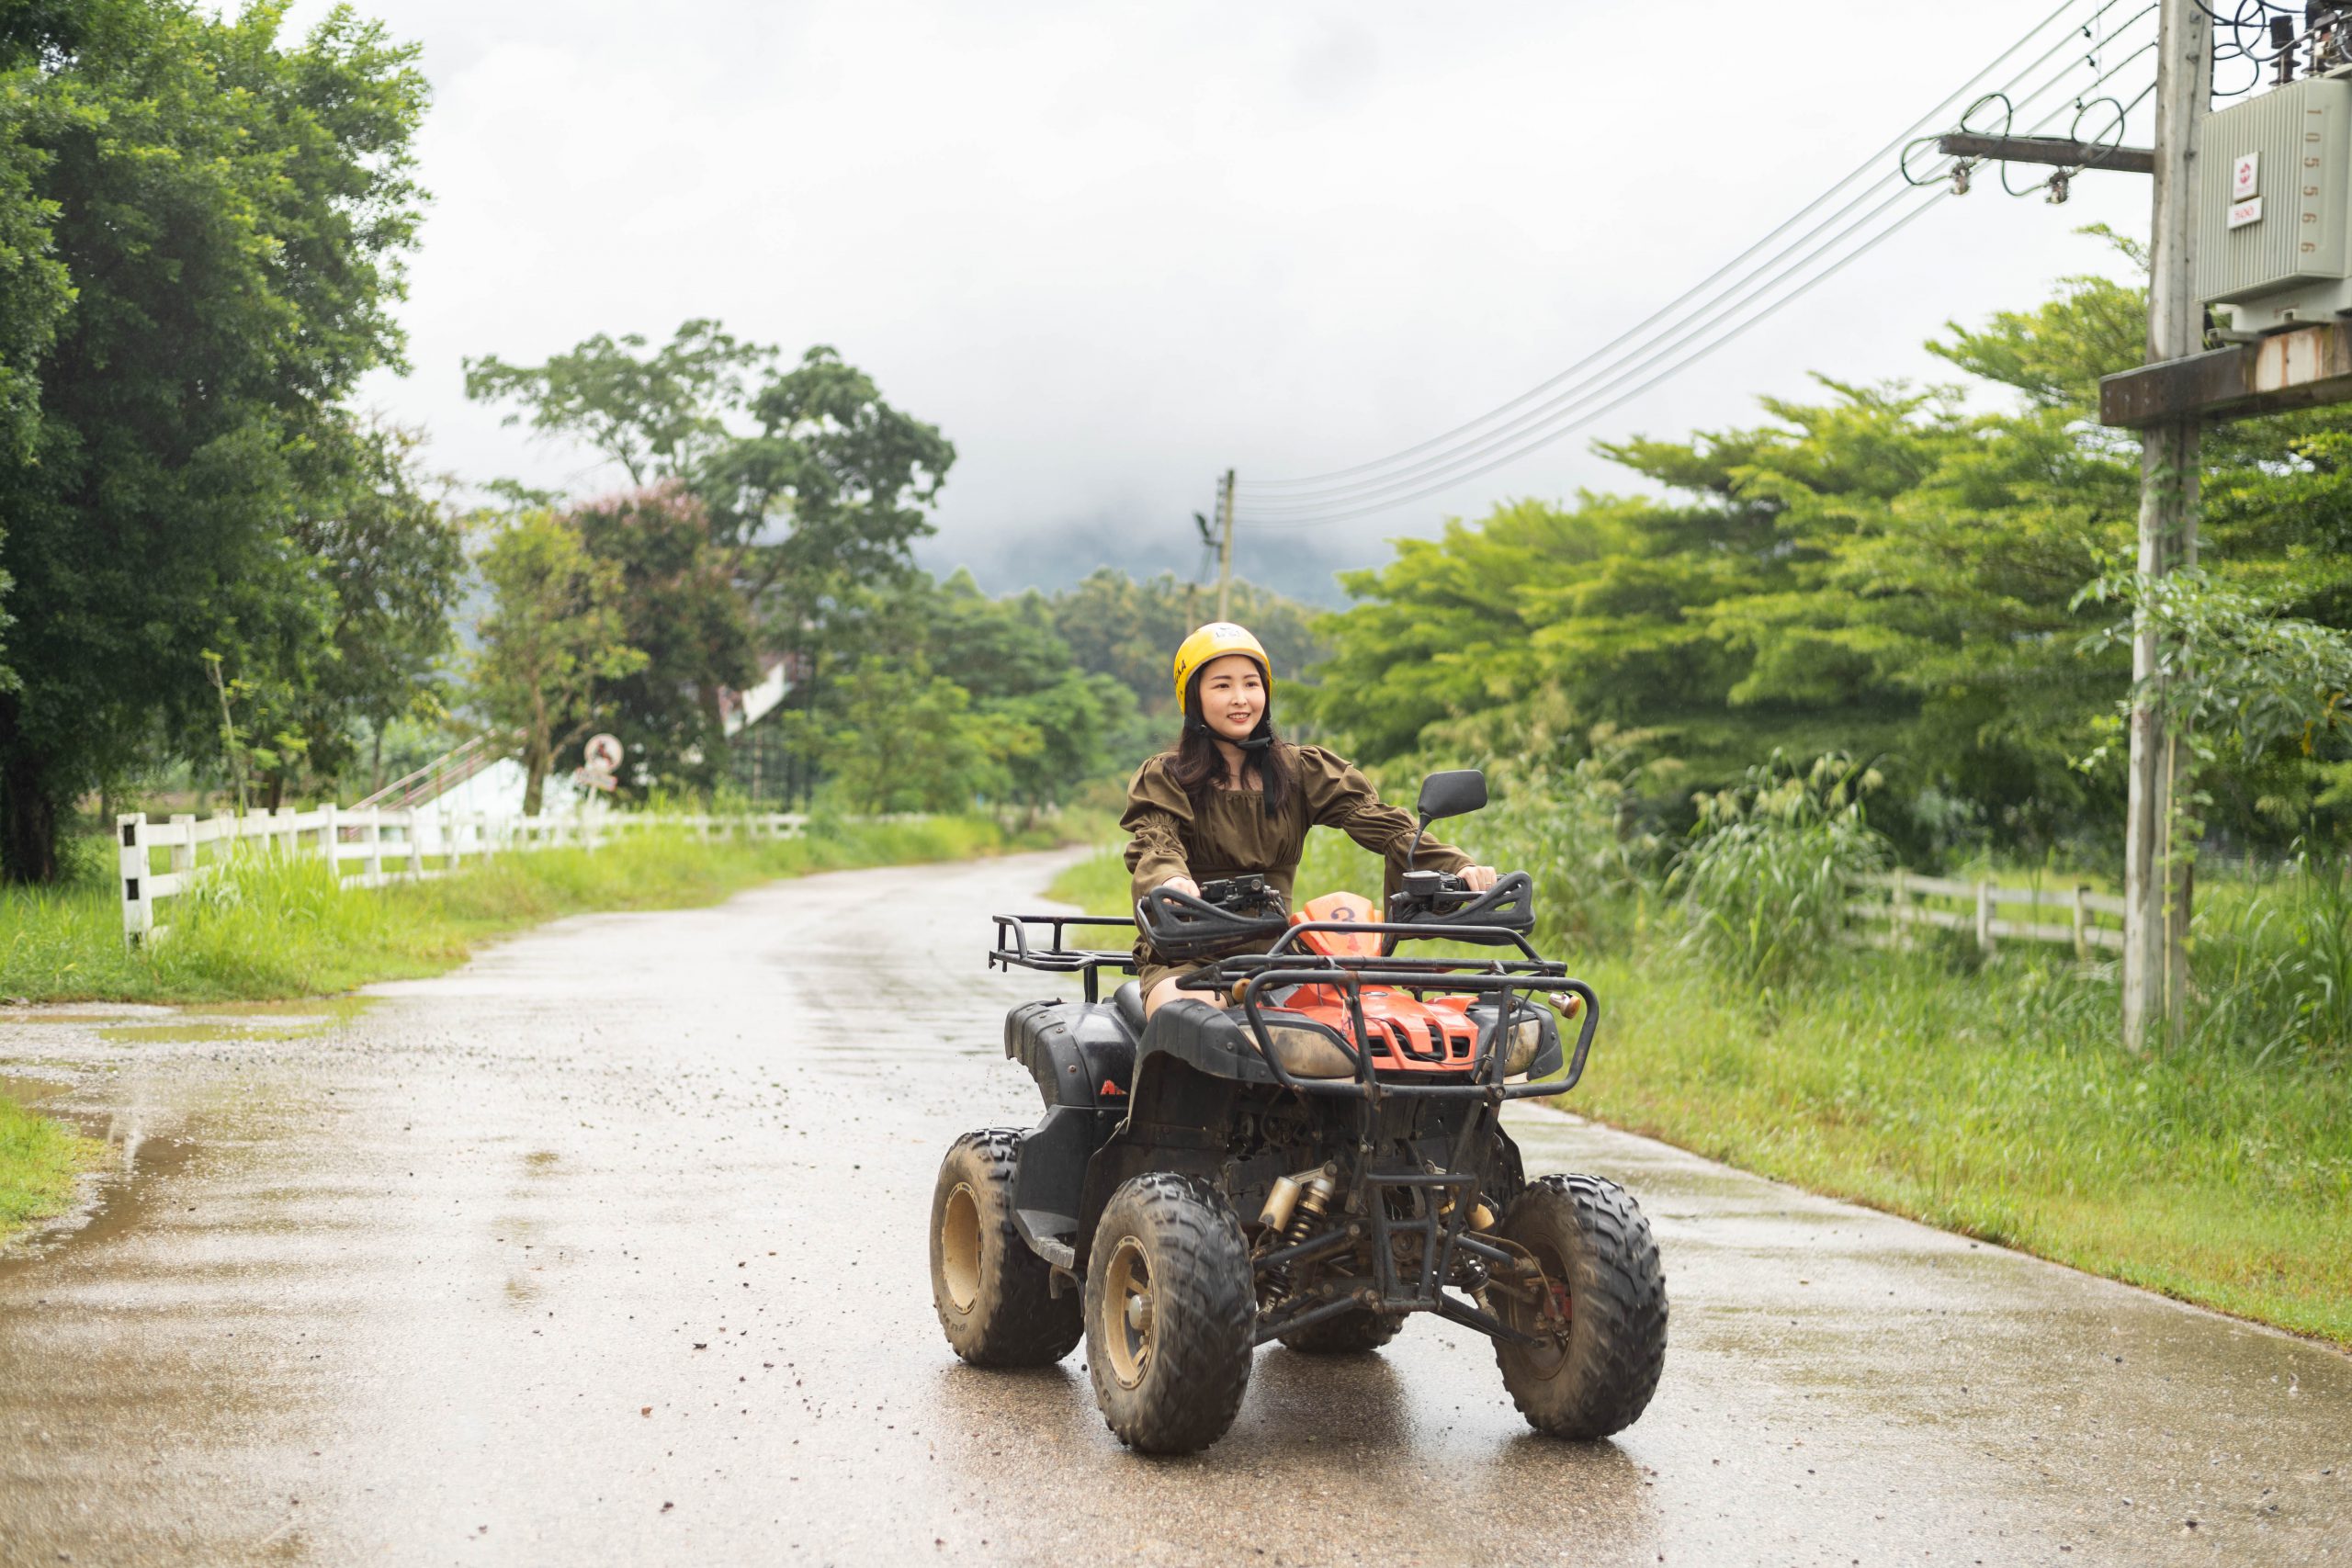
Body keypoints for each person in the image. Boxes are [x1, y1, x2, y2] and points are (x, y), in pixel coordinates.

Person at [1123, 622, 1497, 1018]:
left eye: (1252, 684)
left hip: (1282, 956)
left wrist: (1458, 865)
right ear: (1194, 697)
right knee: (1186, 1017)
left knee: (1361, 1026)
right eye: (1221, 685)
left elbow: (1382, 822)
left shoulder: (1300, 768)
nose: (1241, 699)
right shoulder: (1167, 775)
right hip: (1188, 956)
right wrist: (1171, 880)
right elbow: (1156, 840)